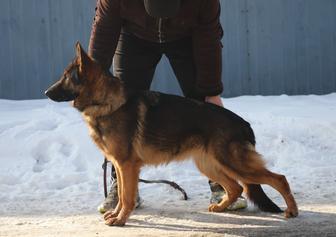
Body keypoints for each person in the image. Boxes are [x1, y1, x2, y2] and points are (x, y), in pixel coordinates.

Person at [88, 0, 247, 213]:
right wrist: (92, 81)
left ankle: (221, 183)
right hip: (135, 35)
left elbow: (209, 37)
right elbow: (104, 31)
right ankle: (124, 188)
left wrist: (211, 92)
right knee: (120, 111)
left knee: (203, 107)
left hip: (186, 34)